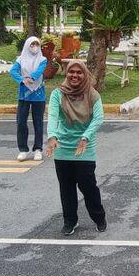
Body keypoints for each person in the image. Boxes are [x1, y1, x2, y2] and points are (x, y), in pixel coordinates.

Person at [44, 60, 106, 236]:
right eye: (72, 72)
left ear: (84, 74)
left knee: (88, 186)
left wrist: (85, 137)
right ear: (67, 73)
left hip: (84, 148)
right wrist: (52, 137)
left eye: (79, 72)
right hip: (63, 147)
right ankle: (70, 221)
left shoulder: (92, 94)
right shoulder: (58, 94)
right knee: (66, 188)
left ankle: (99, 218)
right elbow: (53, 117)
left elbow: (98, 118)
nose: (75, 75)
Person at [10, 36, 48, 162]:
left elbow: (39, 71)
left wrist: (30, 77)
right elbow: (13, 71)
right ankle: (23, 150)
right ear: (27, 46)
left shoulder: (42, 59)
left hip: (38, 95)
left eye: (37, 44)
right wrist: (22, 80)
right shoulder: (20, 59)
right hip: (24, 95)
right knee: (21, 121)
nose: (35, 47)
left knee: (38, 122)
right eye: (32, 44)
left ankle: (38, 149)